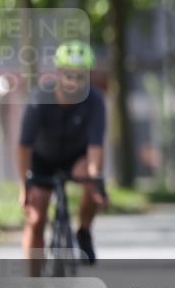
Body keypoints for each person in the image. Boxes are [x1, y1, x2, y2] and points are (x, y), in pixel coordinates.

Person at [18, 41, 108, 264]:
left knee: (92, 181)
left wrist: (95, 179)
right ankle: (33, 283)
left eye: (81, 76)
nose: (74, 82)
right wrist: (24, 186)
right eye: (69, 75)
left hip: (75, 158)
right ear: (58, 74)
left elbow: (96, 146)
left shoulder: (95, 101)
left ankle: (84, 231)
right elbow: (24, 145)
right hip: (42, 159)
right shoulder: (40, 100)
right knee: (37, 219)